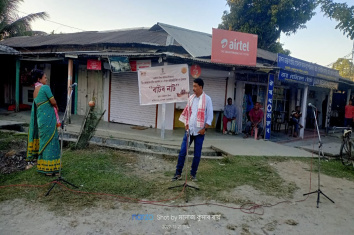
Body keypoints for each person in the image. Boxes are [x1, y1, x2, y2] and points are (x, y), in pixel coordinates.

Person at [172, 78, 213, 182]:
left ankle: (193, 174)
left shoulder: (207, 99)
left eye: (195, 86)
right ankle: (178, 174)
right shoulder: (191, 98)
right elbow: (187, 112)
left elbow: (210, 116)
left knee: (197, 154)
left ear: (201, 87)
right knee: (182, 152)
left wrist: (205, 129)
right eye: (193, 86)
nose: (193, 88)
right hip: (189, 131)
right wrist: (186, 123)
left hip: (200, 132)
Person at [26, 69, 61, 176]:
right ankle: (50, 170)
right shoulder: (45, 88)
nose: (46, 79)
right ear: (39, 79)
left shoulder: (35, 91)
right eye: (45, 77)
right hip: (48, 120)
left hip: (41, 120)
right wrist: (56, 107)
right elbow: (53, 101)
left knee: (45, 142)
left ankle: (44, 167)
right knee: (52, 141)